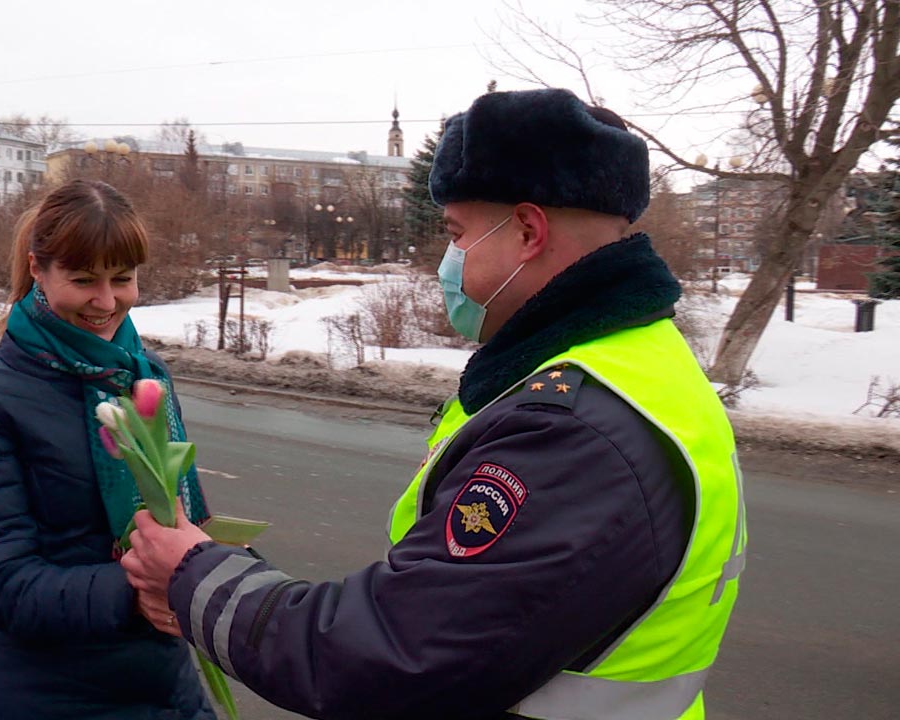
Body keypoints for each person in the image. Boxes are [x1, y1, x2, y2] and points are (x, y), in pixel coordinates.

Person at [121, 88, 746, 720]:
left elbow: (393, 658)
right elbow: (446, 603)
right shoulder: (637, 362)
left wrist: (195, 576)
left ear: (528, 230)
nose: (448, 259)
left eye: (457, 233)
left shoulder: (571, 427)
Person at [0, 179, 217, 720]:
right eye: (84, 280)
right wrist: (140, 592)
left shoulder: (143, 373)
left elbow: (188, 519)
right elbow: (8, 586)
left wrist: (223, 575)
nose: (107, 302)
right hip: (46, 694)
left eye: (123, 279)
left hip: (164, 683)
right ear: (38, 271)